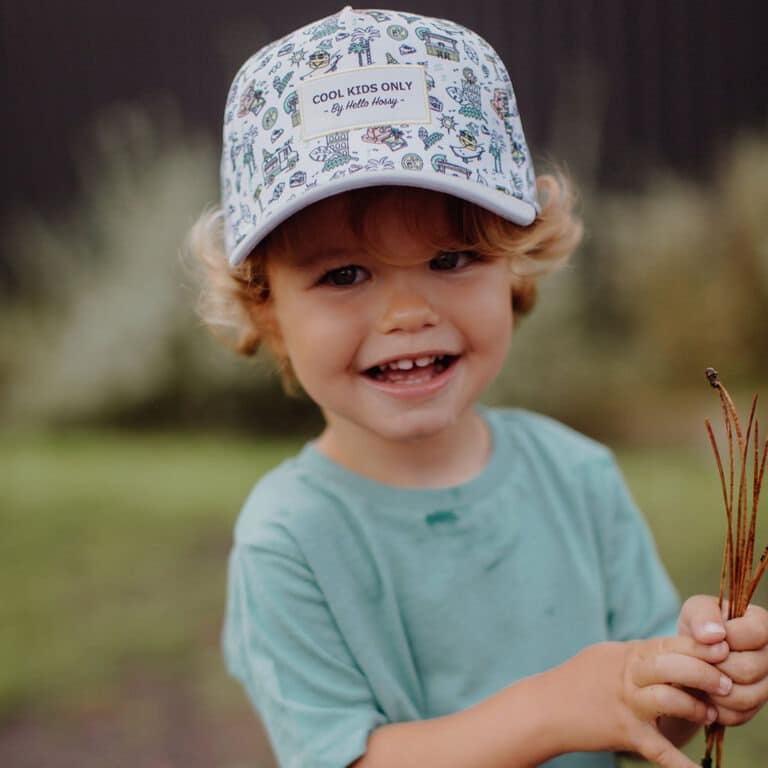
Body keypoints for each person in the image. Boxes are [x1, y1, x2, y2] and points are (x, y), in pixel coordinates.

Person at [186, 6, 768, 768]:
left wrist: (692, 680)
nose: (406, 313)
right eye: (345, 274)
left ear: (515, 266)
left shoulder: (577, 477)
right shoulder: (289, 539)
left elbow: (641, 725)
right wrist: (551, 711)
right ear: (266, 307)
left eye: (452, 259)